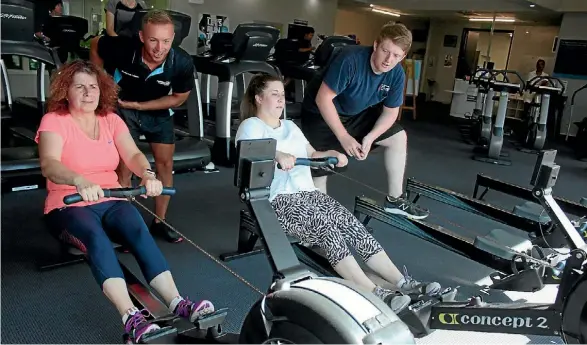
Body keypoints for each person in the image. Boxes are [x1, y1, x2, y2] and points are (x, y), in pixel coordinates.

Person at [35, 60, 215, 343]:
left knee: (136, 227)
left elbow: (132, 154)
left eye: (93, 86)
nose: (87, 92)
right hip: (68, 202)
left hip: (111, 197)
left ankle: (177, 302)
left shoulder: (110, 119)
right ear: (65, 91)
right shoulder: (54, 121)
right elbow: (49, 164)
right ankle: (130, 316)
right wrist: (79, 180)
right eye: (79, 86)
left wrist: (147, 174)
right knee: (96, 238)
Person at [235, 73, 442, 314]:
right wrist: (277, 155)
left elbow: (312, 154)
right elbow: (247, 155)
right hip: (277, 200)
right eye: (274, 94)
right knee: (326, 229)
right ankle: (375, 293)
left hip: (309, 194)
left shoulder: (290, 126)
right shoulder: (250, 126)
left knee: (351, 224)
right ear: (259, 98)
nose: (281, 100)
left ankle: (403, 283)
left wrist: (333, 153)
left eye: (283, 94)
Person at [300, 22, 430, 220]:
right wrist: (344, 136)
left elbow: (390, 113)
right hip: (320, 113)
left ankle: (395, 200)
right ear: (376, 45)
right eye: (386, 51)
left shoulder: (396, 74)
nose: (389, 60)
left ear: (403, 56)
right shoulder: (350, 59)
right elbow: (323, 99)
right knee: (322, 168)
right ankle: (319, 224)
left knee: (398, 137)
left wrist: (370, 137)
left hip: (355, 114)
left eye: (396, 55)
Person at [90, 9, 194, 243]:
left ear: (173, 38)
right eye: (153, 40)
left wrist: (141, 105)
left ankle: (160, 221)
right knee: (125, 166)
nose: (160, 48)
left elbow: (178, 97)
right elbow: (96, 43)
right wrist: (99, 81)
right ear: (141, 36)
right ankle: (125, 226)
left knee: (165, 164)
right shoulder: (123, 48)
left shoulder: (182, 62)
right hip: (123, 108)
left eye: (166, 41)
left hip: (156, 111)